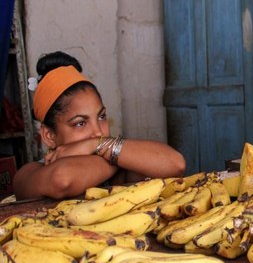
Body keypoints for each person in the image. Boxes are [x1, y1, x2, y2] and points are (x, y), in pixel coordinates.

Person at [13, 51, 186, 200]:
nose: (98, 132)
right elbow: (62, 179)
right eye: (80, 123)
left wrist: (95, 145)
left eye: (101, 117)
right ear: (49, 136)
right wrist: (118, 157)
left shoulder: (110, 162)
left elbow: (176, 164)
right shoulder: (29, 173)